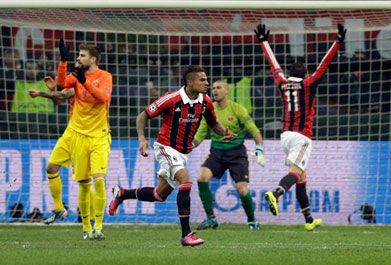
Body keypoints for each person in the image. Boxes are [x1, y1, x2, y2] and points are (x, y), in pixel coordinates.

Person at [108, 65, 236, 247]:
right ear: (190, 82)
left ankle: (121, 194)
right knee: (186, 182)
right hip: (166, 148)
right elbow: (142, 116)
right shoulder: (172, 99)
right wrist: (142, 138)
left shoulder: (205, 101)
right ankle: (186, 234)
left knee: (158, 195)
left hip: (183, 153)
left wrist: (224, 133)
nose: (207, 83)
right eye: (202, 80)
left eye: (206, 79)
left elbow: (213, 124)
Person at [254, 23, 346, 231]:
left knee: (302, 177)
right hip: (302, 136)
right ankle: (275, 193)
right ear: (305, 75)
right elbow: (324, 64)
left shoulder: (282, 83)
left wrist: (264, 41)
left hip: (285, 135)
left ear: (290, 73)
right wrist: (338, 42)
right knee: (296, 173)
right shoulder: (308, 84)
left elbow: (274, 65)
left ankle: (309, 220)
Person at [56, 38, 113, 240]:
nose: (78, 58)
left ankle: (98, 226)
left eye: (82, 55)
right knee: (83, 183)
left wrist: (84, 81)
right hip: (79, 136)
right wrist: (63, 61)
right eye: (78, 55)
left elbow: (103, 97)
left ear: (93, 59)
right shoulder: (75, 74)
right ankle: (86, 228)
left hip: (99, 136)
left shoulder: (105, 76)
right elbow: (61, 84)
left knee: (99, 181)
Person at [192, 80, 264, 230]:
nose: (215, 91)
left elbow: (254, 129)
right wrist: (191, 145)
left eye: (218, 88)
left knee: (242, 189)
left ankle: (252, 221)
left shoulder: (237, 109)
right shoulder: (209, 111)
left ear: (227, 91)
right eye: (213, 88)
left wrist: (259, 148)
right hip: (217, 153)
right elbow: (201, 133)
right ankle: (211, 218)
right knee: (201, 177)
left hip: (236, 153)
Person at [28, 76, 96, 226]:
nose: (79, 60)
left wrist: (40, 93)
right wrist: (53, 90)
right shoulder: (76, 81)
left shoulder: (93, 82)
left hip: (84, 135)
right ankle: (59, 209)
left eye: (82, 57)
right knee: (51, 168)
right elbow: (59, 100)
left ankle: (93, 216)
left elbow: (64, 95)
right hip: (69, 133)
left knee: (82, 179)